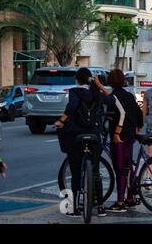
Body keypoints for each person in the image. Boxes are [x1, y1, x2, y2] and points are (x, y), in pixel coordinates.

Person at [55, 68, 106, 218]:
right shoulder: (97, 92)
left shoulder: (75, 92)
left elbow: (71, 107)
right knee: (95, 172)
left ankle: (75, 207)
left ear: (77, 80)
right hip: (95, 134)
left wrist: (61, 121)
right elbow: (109, 102)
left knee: (76, 172)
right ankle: (101, 207)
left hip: (76, 135)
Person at [95, 69, 144, 212]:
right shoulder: (128, 95)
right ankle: (130, 198)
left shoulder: (114, 97)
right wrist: (138, 127)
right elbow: (138, 113)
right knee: (128, 166)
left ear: (111, 81)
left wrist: (116, 131)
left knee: (120, 169)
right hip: (130, 135)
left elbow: (115, 105)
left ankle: (120, 202)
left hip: (119, 136)